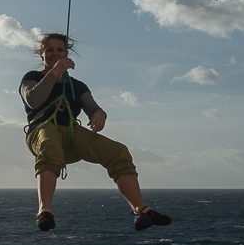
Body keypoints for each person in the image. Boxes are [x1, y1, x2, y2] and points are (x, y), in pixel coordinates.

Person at [19, 32, 171, 232]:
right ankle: (44, 210)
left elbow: (92, 107)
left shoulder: (77, 86)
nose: (55, 54)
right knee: (49, 141)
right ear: (41, 54)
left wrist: (100, 114)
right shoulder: (31, 78)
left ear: (66, 53)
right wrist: (54, 73)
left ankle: (140, 210)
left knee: (118, 152)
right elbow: (33, 100)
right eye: (49, 50)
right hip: (41, 132)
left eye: (59, 50)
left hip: (72, 135)